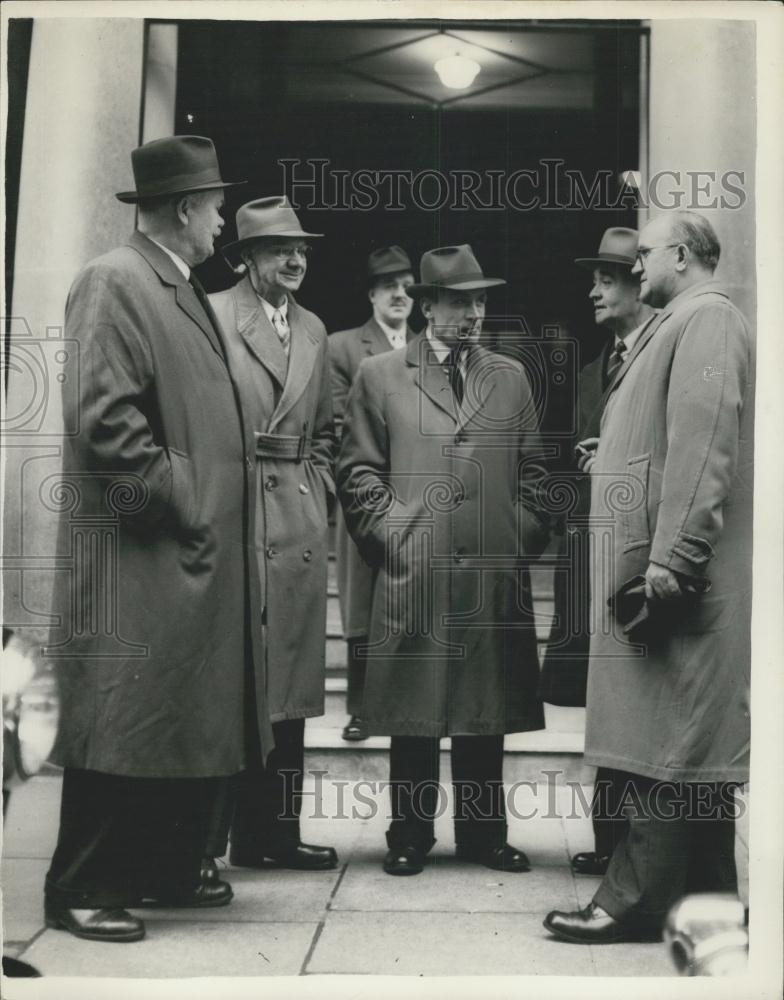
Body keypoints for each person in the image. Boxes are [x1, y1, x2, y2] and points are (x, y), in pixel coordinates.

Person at [44, 135, 273, 943]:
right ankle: (81, 886)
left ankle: (164, 867)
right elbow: (105, 426)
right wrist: (189, 499)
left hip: (183, 555)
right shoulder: (116, 280)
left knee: (177, 719)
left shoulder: (170, 281)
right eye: (215, 207)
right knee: (123, 721)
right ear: (185, 209)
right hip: (144, 556)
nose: (220, 224)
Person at [544, 210, 753, 943]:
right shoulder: (684, 322)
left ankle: (632, 901)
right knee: (685, 747)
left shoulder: (706, 321)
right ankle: (709, 905)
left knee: (666, 746)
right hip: (667, 576)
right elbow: (673, 438)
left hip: (676, 583)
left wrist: (673, 563)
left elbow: (704, 451)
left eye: (650, 253)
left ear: (686, 257)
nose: (638, 266)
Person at [337, 244, 549, 876]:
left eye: (481, 300)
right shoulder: (380, 375)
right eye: (461, 300)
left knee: (485, 714)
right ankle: (408, 834)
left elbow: (536, 476)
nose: (474, 312)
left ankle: (485, 837)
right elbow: (356, 473)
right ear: (428, 305)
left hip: (490, 571)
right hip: (417, 569)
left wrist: (516, 541)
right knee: (414, 712)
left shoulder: (509, 376)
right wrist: (396, 537)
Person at [203, 196, 338, 874]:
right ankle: (213, 841)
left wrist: (319, 491)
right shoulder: (215, 314)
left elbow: (329, 430)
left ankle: (275, 836)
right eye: (281, 248)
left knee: (289, 688)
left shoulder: (313, 327)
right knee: (236, 684)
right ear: (246, 257)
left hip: (298, 517)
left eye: (303, 249)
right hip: (241, 512)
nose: (295, 259)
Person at [539, 228, 654, 876]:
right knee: (601, 699)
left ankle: (630, 848)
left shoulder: (658, 357)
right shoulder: (590, 371)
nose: (594, 291)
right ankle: (608, 842)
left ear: (640, 283)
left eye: (607, 279)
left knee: (632, 695)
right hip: (588, 555)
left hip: (633, 561)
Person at [328, 246, 417, 742]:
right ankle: (360, 708)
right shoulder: (344, 348)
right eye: (389, 287)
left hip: (416, 497)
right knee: (362, 602)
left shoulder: (427, 346)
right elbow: (342, 423)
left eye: (407, 286)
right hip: (365, 494)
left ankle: (404, 699)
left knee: (408, 596)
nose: (400, 295)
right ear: (371, 295)